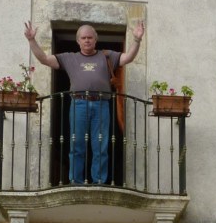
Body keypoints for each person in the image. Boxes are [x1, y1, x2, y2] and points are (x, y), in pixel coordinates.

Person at [23, 20, 145, 185]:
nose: (87, 40)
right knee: (76, 145)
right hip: (78, 105)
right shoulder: (69, 58)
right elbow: (44, 59)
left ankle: (99, 182)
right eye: (83, 38)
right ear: (78, 40)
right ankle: (76, 181)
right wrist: (31, 40)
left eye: (89, 37)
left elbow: (128, 57)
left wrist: (137, 40)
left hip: (102, 105)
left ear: (95, 39)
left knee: (101, 146)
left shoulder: (107, 55)